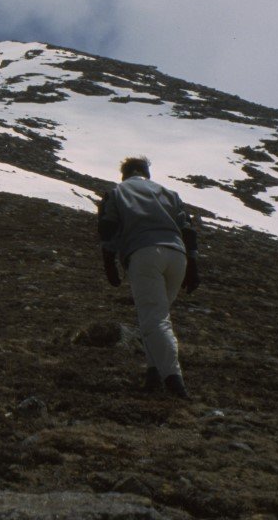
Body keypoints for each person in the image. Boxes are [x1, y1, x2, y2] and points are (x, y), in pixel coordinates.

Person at [98, 156, 200, 397]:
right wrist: (193, 265)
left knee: (154, 319)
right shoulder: (169, 193)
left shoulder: (117, 192)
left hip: (143, 253)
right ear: (147, 173)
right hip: (177, 256)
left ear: (124, 174)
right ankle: (153, 374)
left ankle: (175, 382)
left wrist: (109, 263)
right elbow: (187, 228)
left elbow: (107, 228)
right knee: (157, 317)